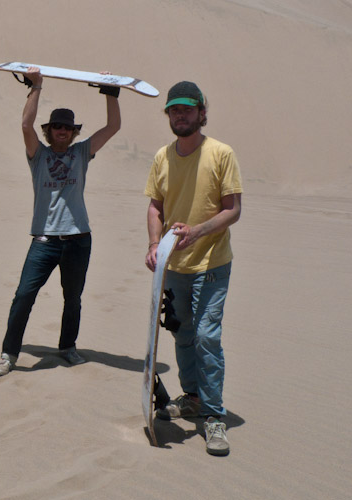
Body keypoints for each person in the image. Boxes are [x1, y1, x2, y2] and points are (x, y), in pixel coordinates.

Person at [0, 67, 121, 376]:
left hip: (79, 238)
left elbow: (113, 126)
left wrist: (110, 91)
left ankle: (67, 347)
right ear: (49, 131)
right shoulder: (38, 155)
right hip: (44, 241)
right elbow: (25, 124)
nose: (62, 131)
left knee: (72, 298)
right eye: (57, 127)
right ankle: (9, 354)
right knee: (24, 295)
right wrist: (36, 86)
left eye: (67, 127)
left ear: (74, 132)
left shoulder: (81, 152)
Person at [144, 81, 243, 456]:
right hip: (174, 266)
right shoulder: (162, 157)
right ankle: (193, 397)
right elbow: (155, 207)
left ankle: (214, 417)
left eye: (187, 109)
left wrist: (197, 232)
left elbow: (233, 209)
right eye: (174, 110)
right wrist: (156, 246)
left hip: (212, 265)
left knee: (205, 338)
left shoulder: (221, 153)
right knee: (182, 335)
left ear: (202, 112)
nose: (180, 115)